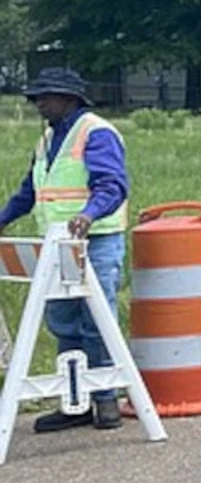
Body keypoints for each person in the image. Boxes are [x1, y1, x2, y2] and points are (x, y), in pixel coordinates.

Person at [0, 68, 130, 432]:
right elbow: (29, 191)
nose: (39, 103)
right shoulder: (46, 140)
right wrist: (4, 218)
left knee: (96, 319)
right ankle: (75, 401)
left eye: (46, 96)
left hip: (96, 239)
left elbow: (112, 184)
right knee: (63, 322)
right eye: (37, 97)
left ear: (69, 99)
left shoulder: (96, 132)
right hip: (57, 242)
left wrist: (88, 215)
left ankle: (105, 400)